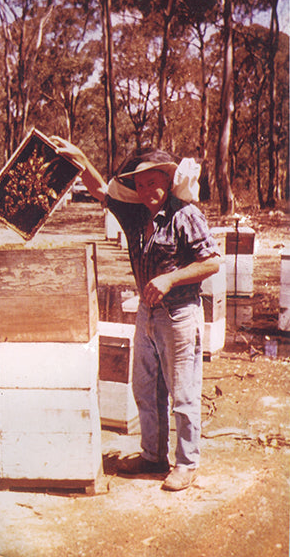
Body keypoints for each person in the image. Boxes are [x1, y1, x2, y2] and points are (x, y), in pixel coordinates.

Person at [52, 137, 221, 492]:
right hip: (147, 313)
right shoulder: (134, 216)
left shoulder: (185, 215)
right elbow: (100, 190)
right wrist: (80, 159)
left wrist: (171, 278)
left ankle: (187, 463)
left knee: (183, 391)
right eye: (140, 184)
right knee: (145, 388)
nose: (147, 190)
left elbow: (212, 262)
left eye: (152, 182)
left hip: (179, 314)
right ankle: (152, 455)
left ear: (167, 180)